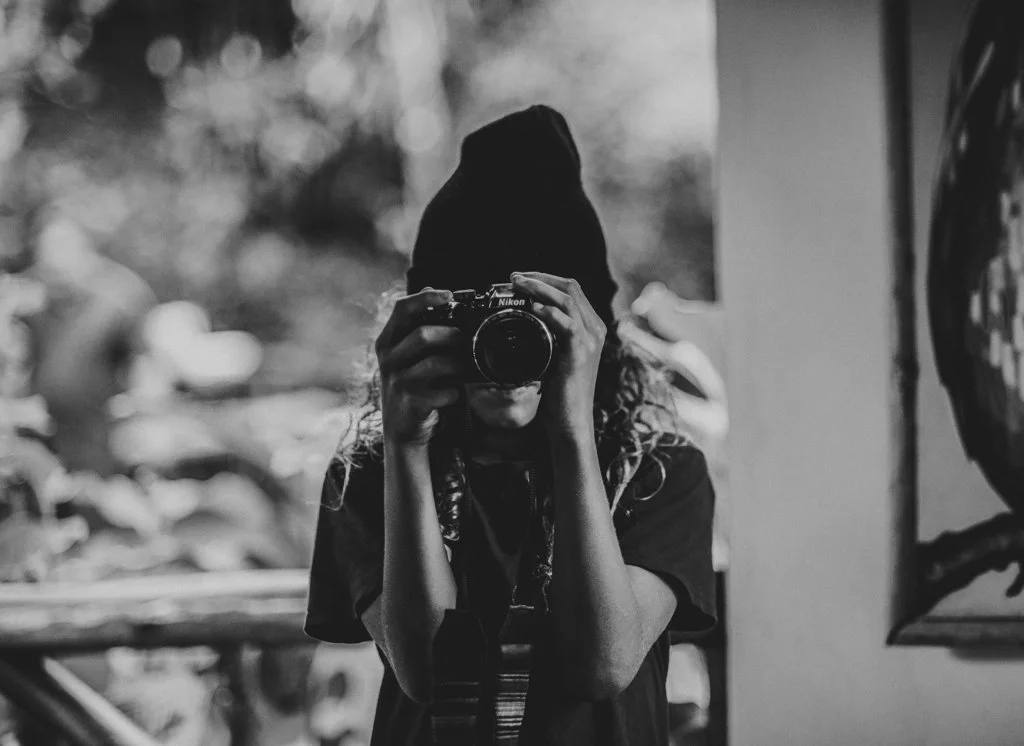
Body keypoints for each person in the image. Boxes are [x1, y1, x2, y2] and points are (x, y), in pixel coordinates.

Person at [304, 104, 717, 745]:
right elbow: (427, 675)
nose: (506, 354)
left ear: (589, 332)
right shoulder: (371, 476)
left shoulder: (658, 472)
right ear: (429, 321)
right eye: (481, 321)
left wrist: (571, 433)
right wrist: (407, 447)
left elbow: (603, 664)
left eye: (536, 325)